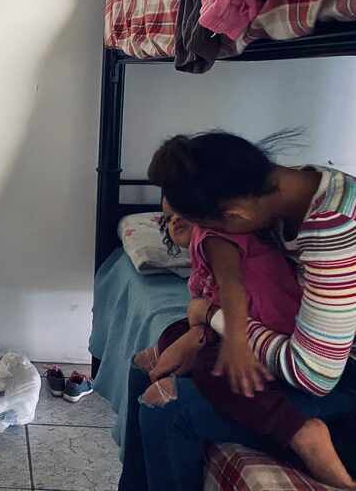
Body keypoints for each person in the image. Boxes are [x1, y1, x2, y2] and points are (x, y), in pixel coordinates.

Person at [118, 130, 356, 491]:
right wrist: (201, 331)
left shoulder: (334, 230)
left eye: (210, 229)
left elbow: (314, 374)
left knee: (166, 409)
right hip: (291, 340)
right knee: (149, 367)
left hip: (340, 381)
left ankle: (304, 434)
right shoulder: (285, 189)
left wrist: (210, 316)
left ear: (235, 215)